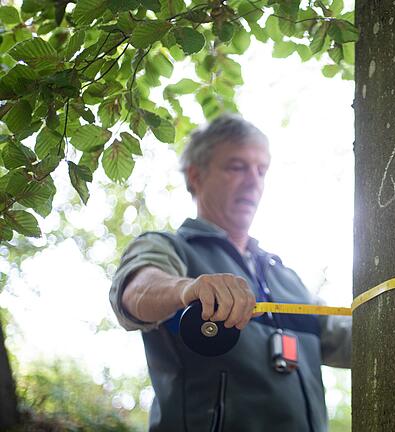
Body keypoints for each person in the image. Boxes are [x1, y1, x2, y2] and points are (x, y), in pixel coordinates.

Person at [109, 114, 352, 432]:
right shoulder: (173, 248)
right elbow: (134, 291)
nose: (254, 181)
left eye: (261, 170)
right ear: (196, 176)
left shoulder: (286, 278)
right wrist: (187, 290)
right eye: (237, 167)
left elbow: (359, 343)